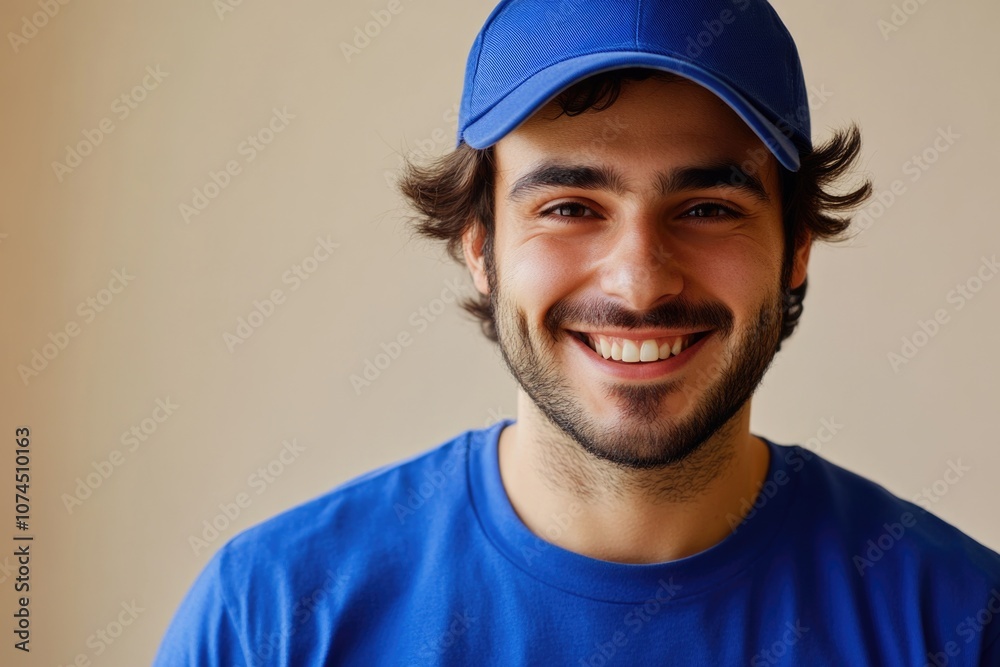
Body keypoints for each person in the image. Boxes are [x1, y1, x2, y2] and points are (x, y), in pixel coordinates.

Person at [154, 0, 1000, 664]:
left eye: (707, 208)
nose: (638, 279)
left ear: (796, 251)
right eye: (569, 208)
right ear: (480, 248)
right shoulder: (271, 616)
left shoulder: (960, 620)